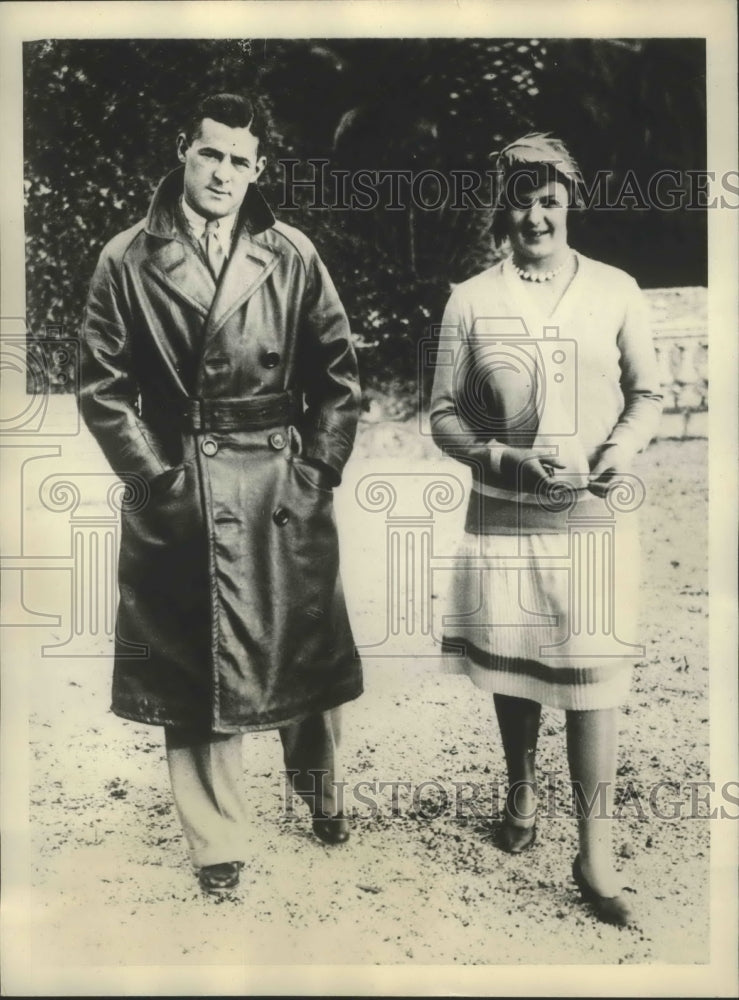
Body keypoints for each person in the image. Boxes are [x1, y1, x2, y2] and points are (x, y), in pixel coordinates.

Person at [79, 93, 363, 894]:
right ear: (183, 151)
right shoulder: (125, 257)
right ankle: (216, 842)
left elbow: (338, 378)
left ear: (259, 170)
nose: (223, 174)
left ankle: (322, 793)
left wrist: (318, 471)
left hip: (279, 478)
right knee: (193, 665)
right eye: (211, 155)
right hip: (184, 481)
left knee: (300, 645)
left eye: (240, 161)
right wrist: (159, 481)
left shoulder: (293, 252)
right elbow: (102, 390)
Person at [429, 133, 662, 925]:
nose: (534, 213)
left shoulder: (615, 289)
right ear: (502, 205)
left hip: (592, 516)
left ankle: (594, 854)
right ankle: (521, 791)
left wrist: (617, 452)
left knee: (593, 677)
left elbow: (648, 394)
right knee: (520, 666)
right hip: (502, 517)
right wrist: (500, 458)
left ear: (571, 200)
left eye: (548, 197)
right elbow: (442, 417)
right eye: (520, 198)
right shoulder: (470, 298)